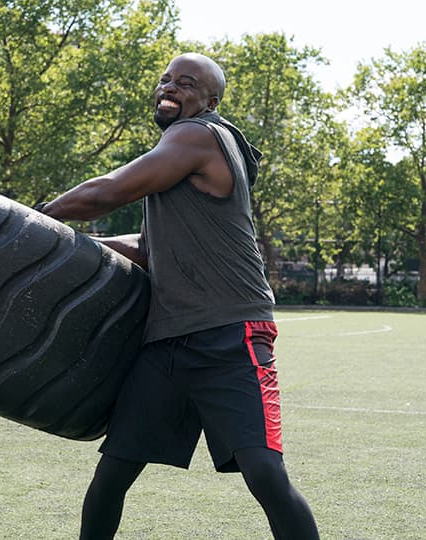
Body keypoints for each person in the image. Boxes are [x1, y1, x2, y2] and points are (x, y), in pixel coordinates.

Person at [36, 52, 320, 540]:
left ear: (210, 100)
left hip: (231, 332)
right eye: (165, 79)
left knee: (265, 473)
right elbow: (149, 248)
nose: (169, 87)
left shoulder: (199, 135)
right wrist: (73, 246)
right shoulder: (179, 159)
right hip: (168, 341)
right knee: (113, 475)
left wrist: (41, 216)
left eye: (186, 83)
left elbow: (110, 190)